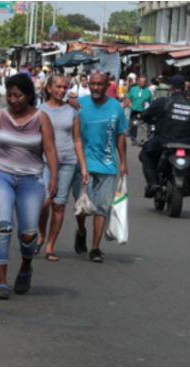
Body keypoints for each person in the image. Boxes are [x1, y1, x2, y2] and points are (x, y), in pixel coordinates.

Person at [0, 73, 58, 299]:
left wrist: (53, 178)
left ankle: (25, 266)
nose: (13, 100)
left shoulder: (41, 119)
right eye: (10, 95)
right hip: (2, 176)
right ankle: (1, 282)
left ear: (29, 95)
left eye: (18, 95)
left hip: (31, 180)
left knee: (28, 234)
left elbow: (50, 149)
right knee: (2, 226)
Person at [73, 71, 128, 263]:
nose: (96, 88)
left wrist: (123, 161)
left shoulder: (116, 107)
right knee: (81, 208)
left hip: (107, 165)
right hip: (83, 164)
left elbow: (121, 134)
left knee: (101, 208)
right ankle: (81, 231)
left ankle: (95, 248)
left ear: (107, 86)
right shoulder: (80, 105)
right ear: (88, 84)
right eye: (93, 84)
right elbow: (74, 136)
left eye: (100, 84)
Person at [36, 74, 80, 262]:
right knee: (44, 202)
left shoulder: (72, 111)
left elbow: (77, 140)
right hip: (45, 163)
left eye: (65, 87)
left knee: (59, 205)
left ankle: (50, 245)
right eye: (58, 87)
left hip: (68, 161)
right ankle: (40, 234)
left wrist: (83, 167)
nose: (62, 91)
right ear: (49, 88)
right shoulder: (39, 111)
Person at [140, 74, 190, 197]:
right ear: (184, 88)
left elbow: (145, 115)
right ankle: (188, 185)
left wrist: (148, 119)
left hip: (163, 142)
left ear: (171, 88)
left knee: (145, 154)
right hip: (188, 144)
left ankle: (153, 183)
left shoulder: (162, 102)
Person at [126, 76, 153, 143]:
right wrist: (129, 103)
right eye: (141, 81)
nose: (143, 83)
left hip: (143, 110)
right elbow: (128, 97)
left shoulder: (148, 91)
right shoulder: (133, 89)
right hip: (134, 110)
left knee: (143, 125)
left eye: (144, 81)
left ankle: (142, 139)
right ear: (138, 82)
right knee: (133, 124)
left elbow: (151, 101)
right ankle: (133, 137)